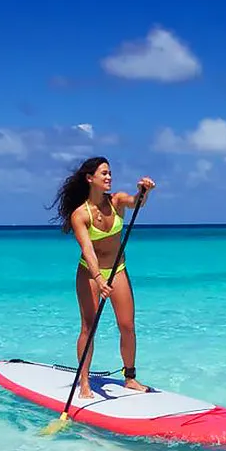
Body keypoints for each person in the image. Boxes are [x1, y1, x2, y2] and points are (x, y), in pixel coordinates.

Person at [48, 156, 156, 400]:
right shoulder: (80, 215)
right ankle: (84, 381)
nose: (109, 177)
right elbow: (87, 249)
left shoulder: (117, 200)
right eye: (103, 173)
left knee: (127, 326)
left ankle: (130, 377)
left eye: (110, 173)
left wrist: (144, 191)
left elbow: (137, 202)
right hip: (90, 272)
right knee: (89, 327)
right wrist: (98, 279)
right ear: (90, 179)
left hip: (117, 269)